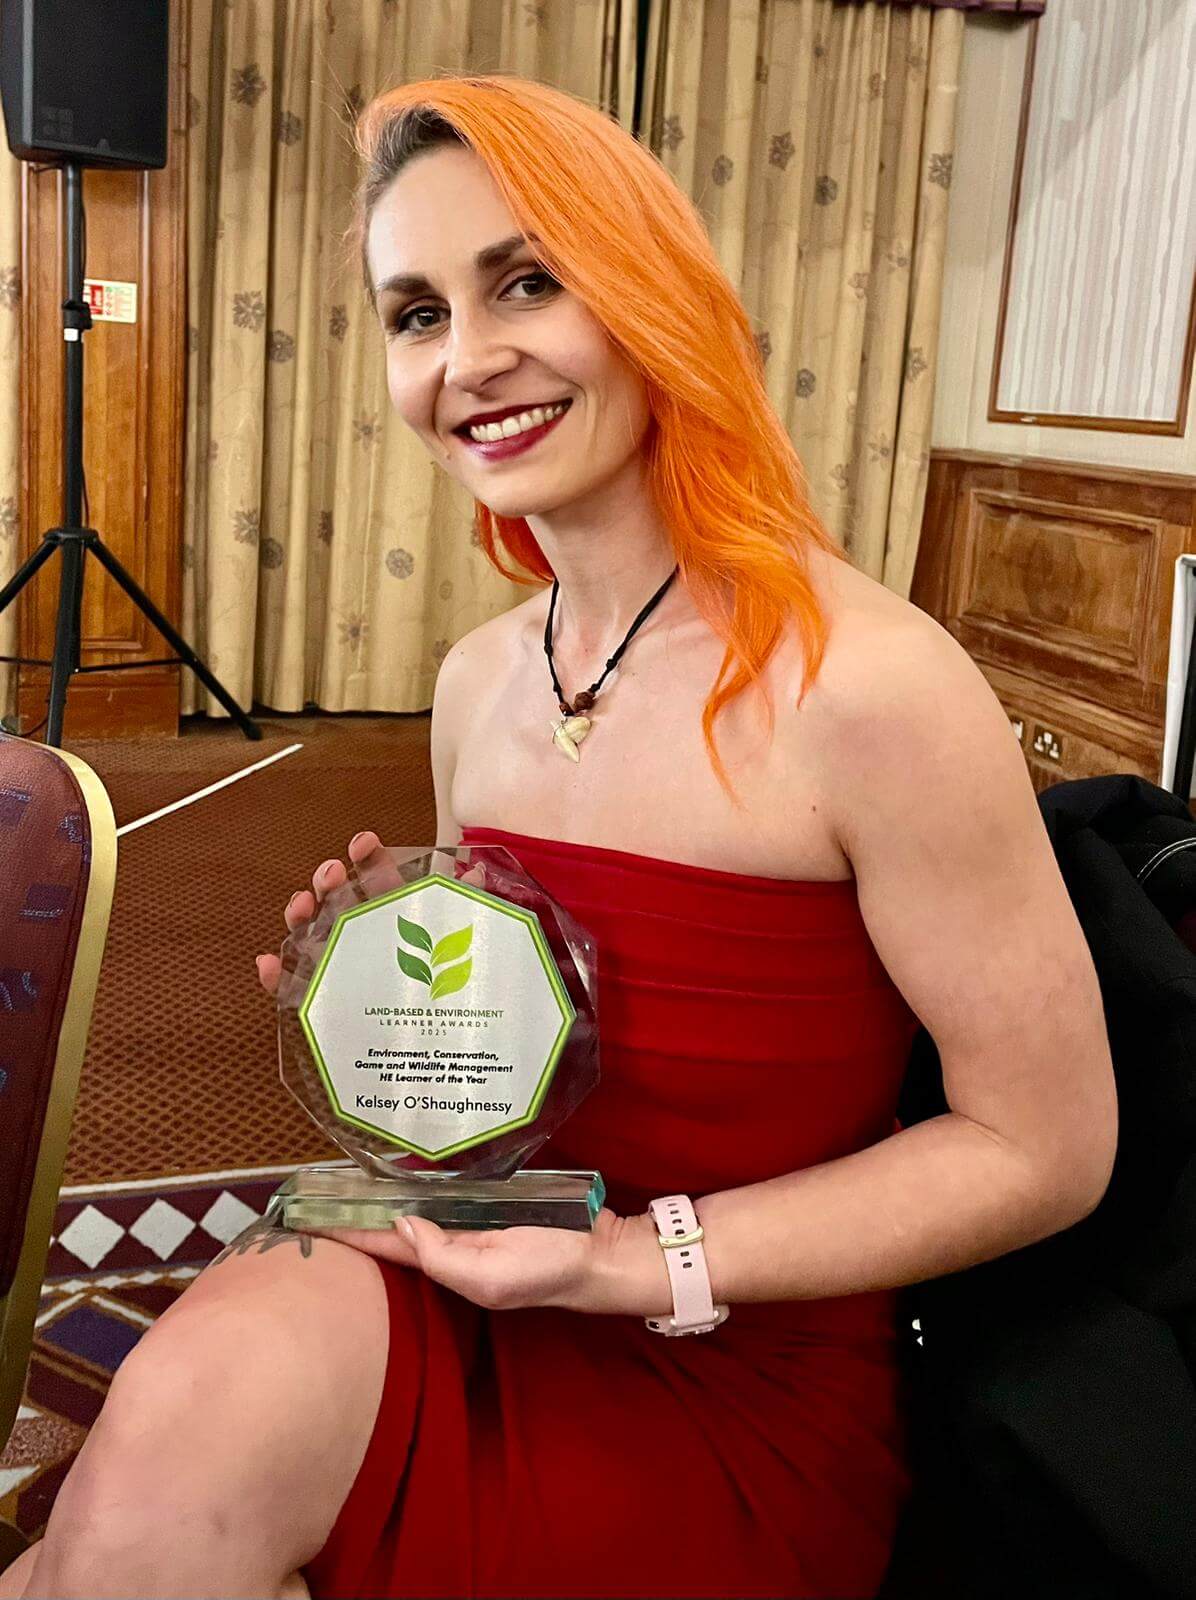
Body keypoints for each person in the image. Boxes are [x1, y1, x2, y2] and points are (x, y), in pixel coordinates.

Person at [0, 74, 1118, 1600]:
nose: (468, 359)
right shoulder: (478, 682)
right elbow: (506, 1094)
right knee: (136, 1492)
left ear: (653, 296)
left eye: (526, 283)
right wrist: (375, 1015)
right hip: (488, 1266)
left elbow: (1047, 1147)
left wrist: (627, 1263)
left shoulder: (872, 689)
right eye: (416, 313)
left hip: (730, 1370)